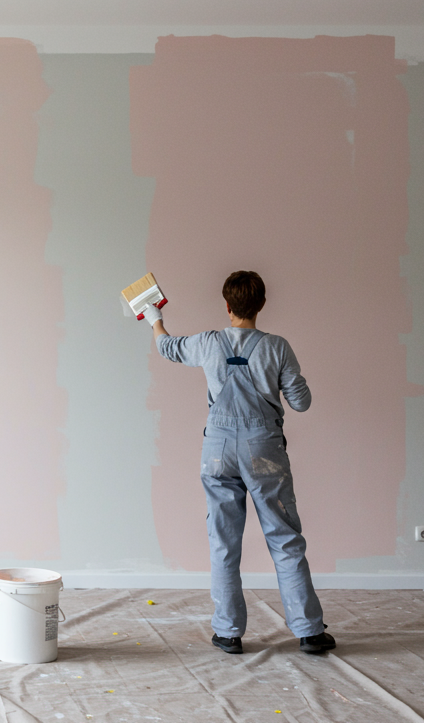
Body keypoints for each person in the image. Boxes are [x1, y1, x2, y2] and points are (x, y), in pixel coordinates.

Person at [142, 271, 335, 655]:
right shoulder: (277, 347)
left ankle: (228, 633)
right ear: (261, 304)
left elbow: (167, 347)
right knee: (284, 538)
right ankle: (310, 631)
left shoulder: (208, 343)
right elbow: (302, 402)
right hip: (263, 450)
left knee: (223, 542)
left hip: (216, 452)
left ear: (227, 306)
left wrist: (154, 320)